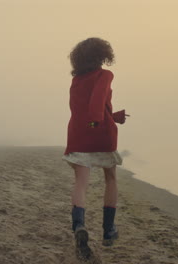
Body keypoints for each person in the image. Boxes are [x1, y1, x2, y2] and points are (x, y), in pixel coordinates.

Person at [62, 37, 128, 257]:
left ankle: (79, 225)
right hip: (99, 133)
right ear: (102, 55)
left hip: (78, 133)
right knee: (110, 178)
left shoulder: (77, 80)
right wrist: (95, 122)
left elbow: (84, 106)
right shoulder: (105, 74)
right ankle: (109, 231)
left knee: (81, 182)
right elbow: (97, 103)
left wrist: (114, 116)